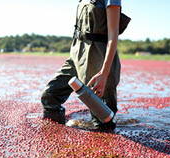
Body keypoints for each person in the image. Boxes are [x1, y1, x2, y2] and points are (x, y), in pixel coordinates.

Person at [41, 0, 128, 131]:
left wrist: (104, 72)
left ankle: (105, 149)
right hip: (76, 55)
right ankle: (54, 136)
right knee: (50, 96)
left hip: (98, 58)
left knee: (102, 119)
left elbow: (113, 35)